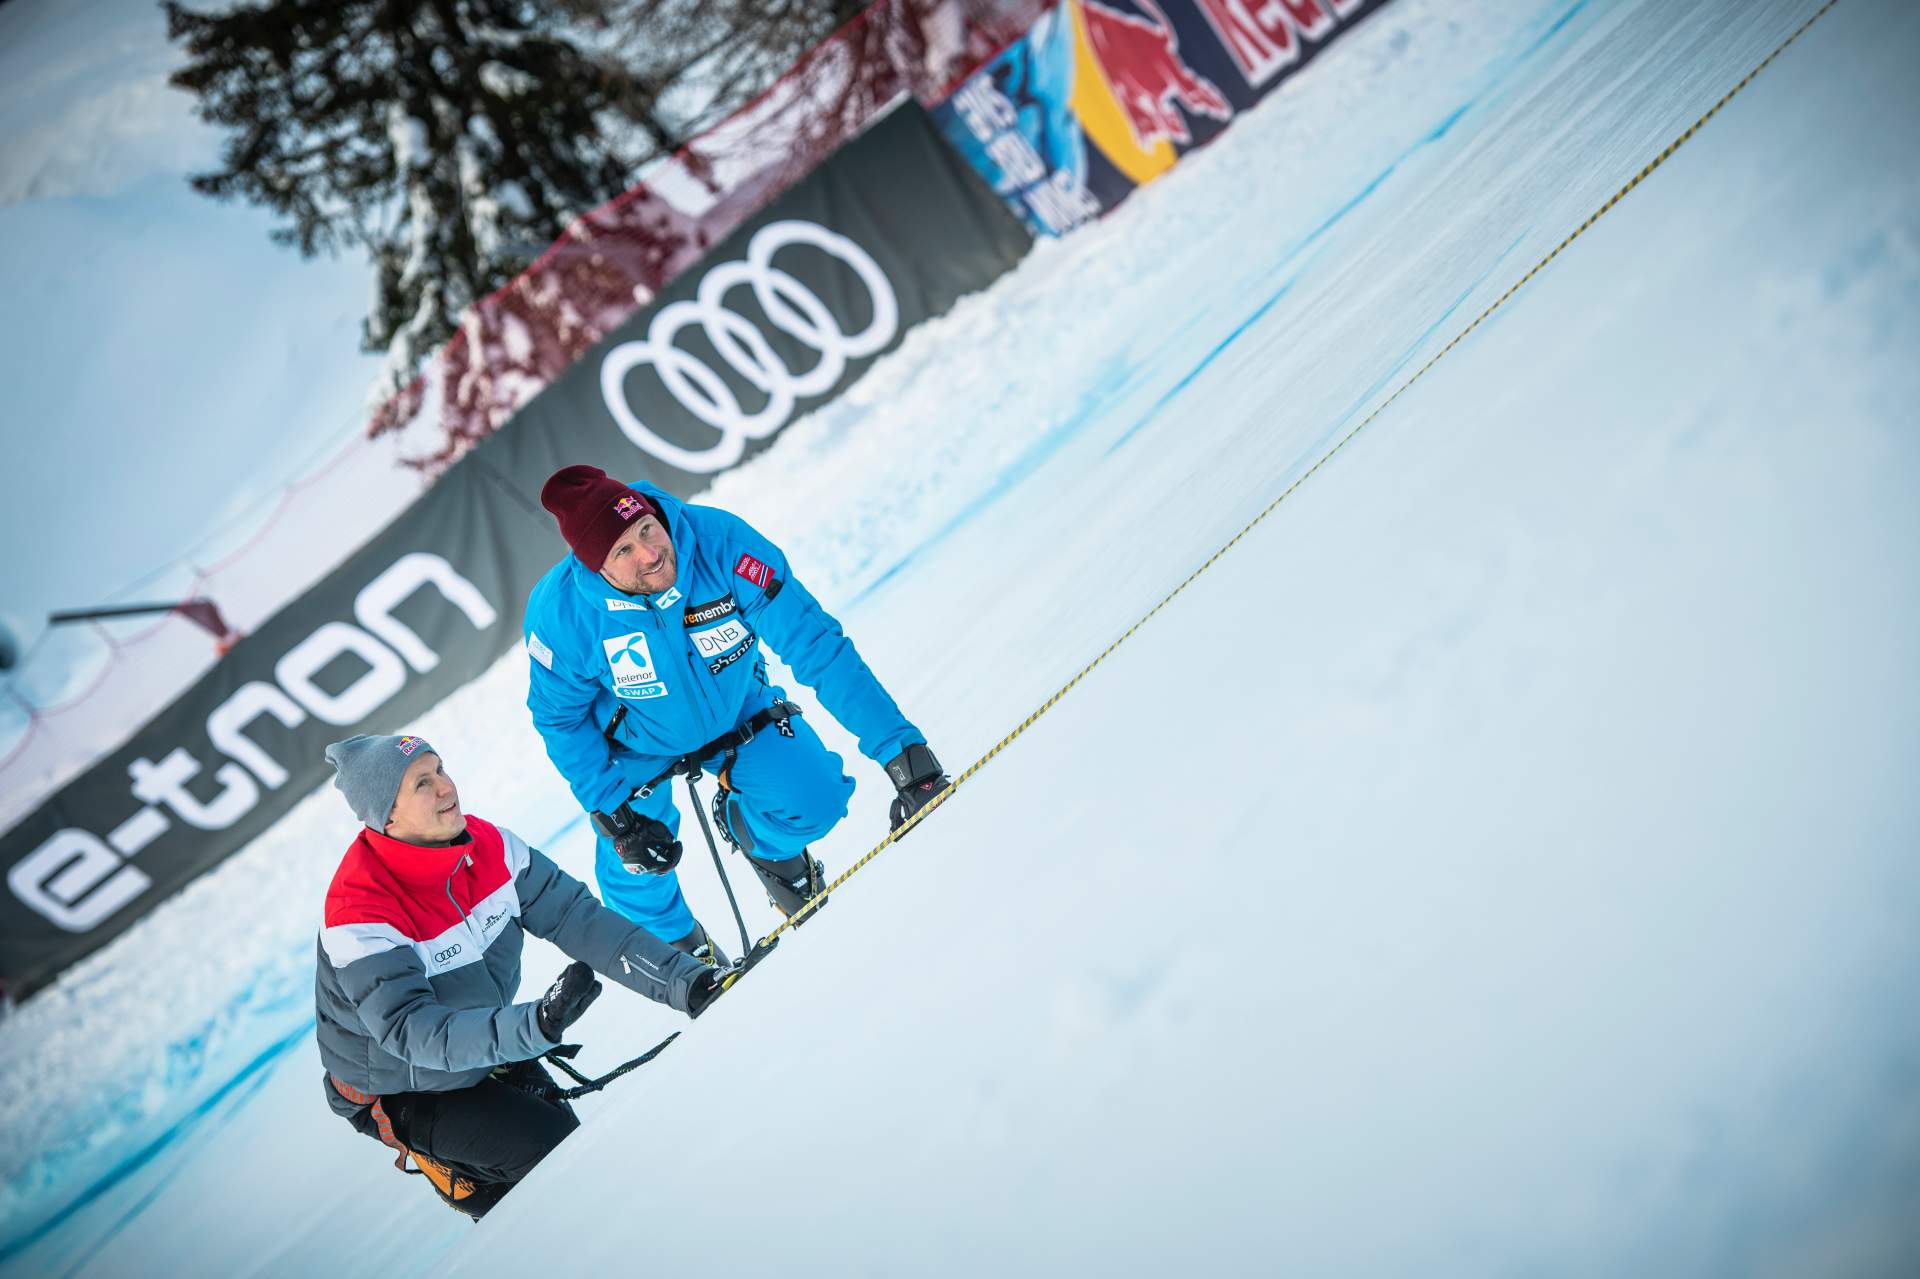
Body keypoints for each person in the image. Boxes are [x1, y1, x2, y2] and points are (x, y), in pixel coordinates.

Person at [522, 465, 950, 957]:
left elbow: (816, 646)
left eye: (647, 529)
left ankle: (759, 840)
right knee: (636, 868)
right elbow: (560, 718)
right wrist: (615, 815)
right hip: (633, 744)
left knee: (818, 799)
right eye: (624, 551)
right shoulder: (560, 615)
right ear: (598, 568)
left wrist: (903, 752)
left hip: (736, 704)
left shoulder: (722, 543)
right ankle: (683, 958)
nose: (650, 553)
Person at [314, 732, 723, 1217]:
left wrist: (688, 982)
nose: (447, 787)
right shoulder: (359, 913)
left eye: (440, 769)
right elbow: (411, 1030)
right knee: (549, 1153)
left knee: (574, 1153)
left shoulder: (488, 848)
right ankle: (464, 1182)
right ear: (388, 817)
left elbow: (579, 919)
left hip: (486, 1040)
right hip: (400, 1085)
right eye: (422, 783)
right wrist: (534, 1027)